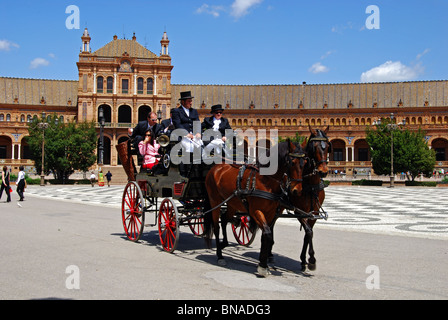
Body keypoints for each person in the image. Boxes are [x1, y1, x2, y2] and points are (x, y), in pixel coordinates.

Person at [171, 91, 202, 176]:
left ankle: (198, 169)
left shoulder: (194, 111)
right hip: (183, 136)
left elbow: (197, 123)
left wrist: (198, 132)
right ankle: (186, 171)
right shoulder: (176, 111)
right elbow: (177, 124)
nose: (191, 103)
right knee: (187, 147)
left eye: (191, 101)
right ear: (183, 102)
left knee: (201, 147)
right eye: (189, 101)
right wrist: (186, 134)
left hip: (194, 136)